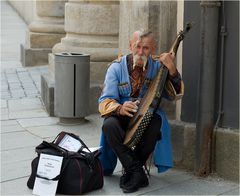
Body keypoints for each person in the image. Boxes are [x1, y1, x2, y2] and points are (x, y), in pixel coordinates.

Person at [98, 29, 184, 193]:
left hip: (148, 115)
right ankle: (137, 171)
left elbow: (175, 95)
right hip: (122, 114)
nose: (141, 52)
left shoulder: (159, 67)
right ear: (130, 46)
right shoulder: (115, 68)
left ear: (153, 49)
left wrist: (172, 69)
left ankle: (132, 171)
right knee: (109, 126)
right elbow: (105, 100)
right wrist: (120, 108)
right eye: (137, 47)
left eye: (146, 48)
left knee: (156, 124)